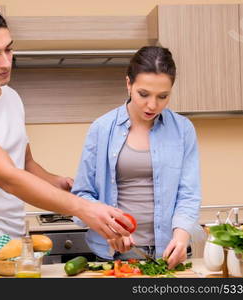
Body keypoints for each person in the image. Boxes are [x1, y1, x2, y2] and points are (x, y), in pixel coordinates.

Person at [0, 4, 131, 259]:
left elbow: (25, 164)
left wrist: (56, 183)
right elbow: (9, 178)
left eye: (8, 49)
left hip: (13, 236)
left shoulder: (10, 97)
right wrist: (83, 208)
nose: (5, 62)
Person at [71, 46, 202, 269]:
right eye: (144, 94)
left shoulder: (183, 129)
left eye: (163, 96)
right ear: (129, 84)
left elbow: (188, 194)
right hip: (112, 254)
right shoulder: (101, 128)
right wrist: (111, 228)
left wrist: (181, 238)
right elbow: (83, 193)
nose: (152, 105)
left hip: (167, 253)